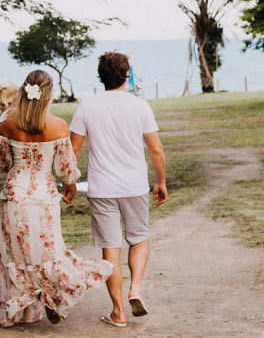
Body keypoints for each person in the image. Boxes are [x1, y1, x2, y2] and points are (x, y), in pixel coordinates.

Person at [0, 70, 113, 327]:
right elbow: (66, 168)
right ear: (49, 95)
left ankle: (20, 307)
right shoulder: (58, 126)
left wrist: (15, 164)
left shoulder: (7, 123)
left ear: (24, 91)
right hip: (44, 197)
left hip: (15, 196)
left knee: (15, 255)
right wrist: (70, 186)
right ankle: (52, 297)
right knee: (47, 252)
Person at [70, 51, 167, 328]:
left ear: (100, 77)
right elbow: (156, 149)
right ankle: (135, 288)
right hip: (134, 186)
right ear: (127, 75)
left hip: (101, 189)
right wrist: (160, 182)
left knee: (110, 249)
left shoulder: (87, 106)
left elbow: (73, 150)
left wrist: (69, 183)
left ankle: (118, 312)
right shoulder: (140, 106)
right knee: (138, 238)